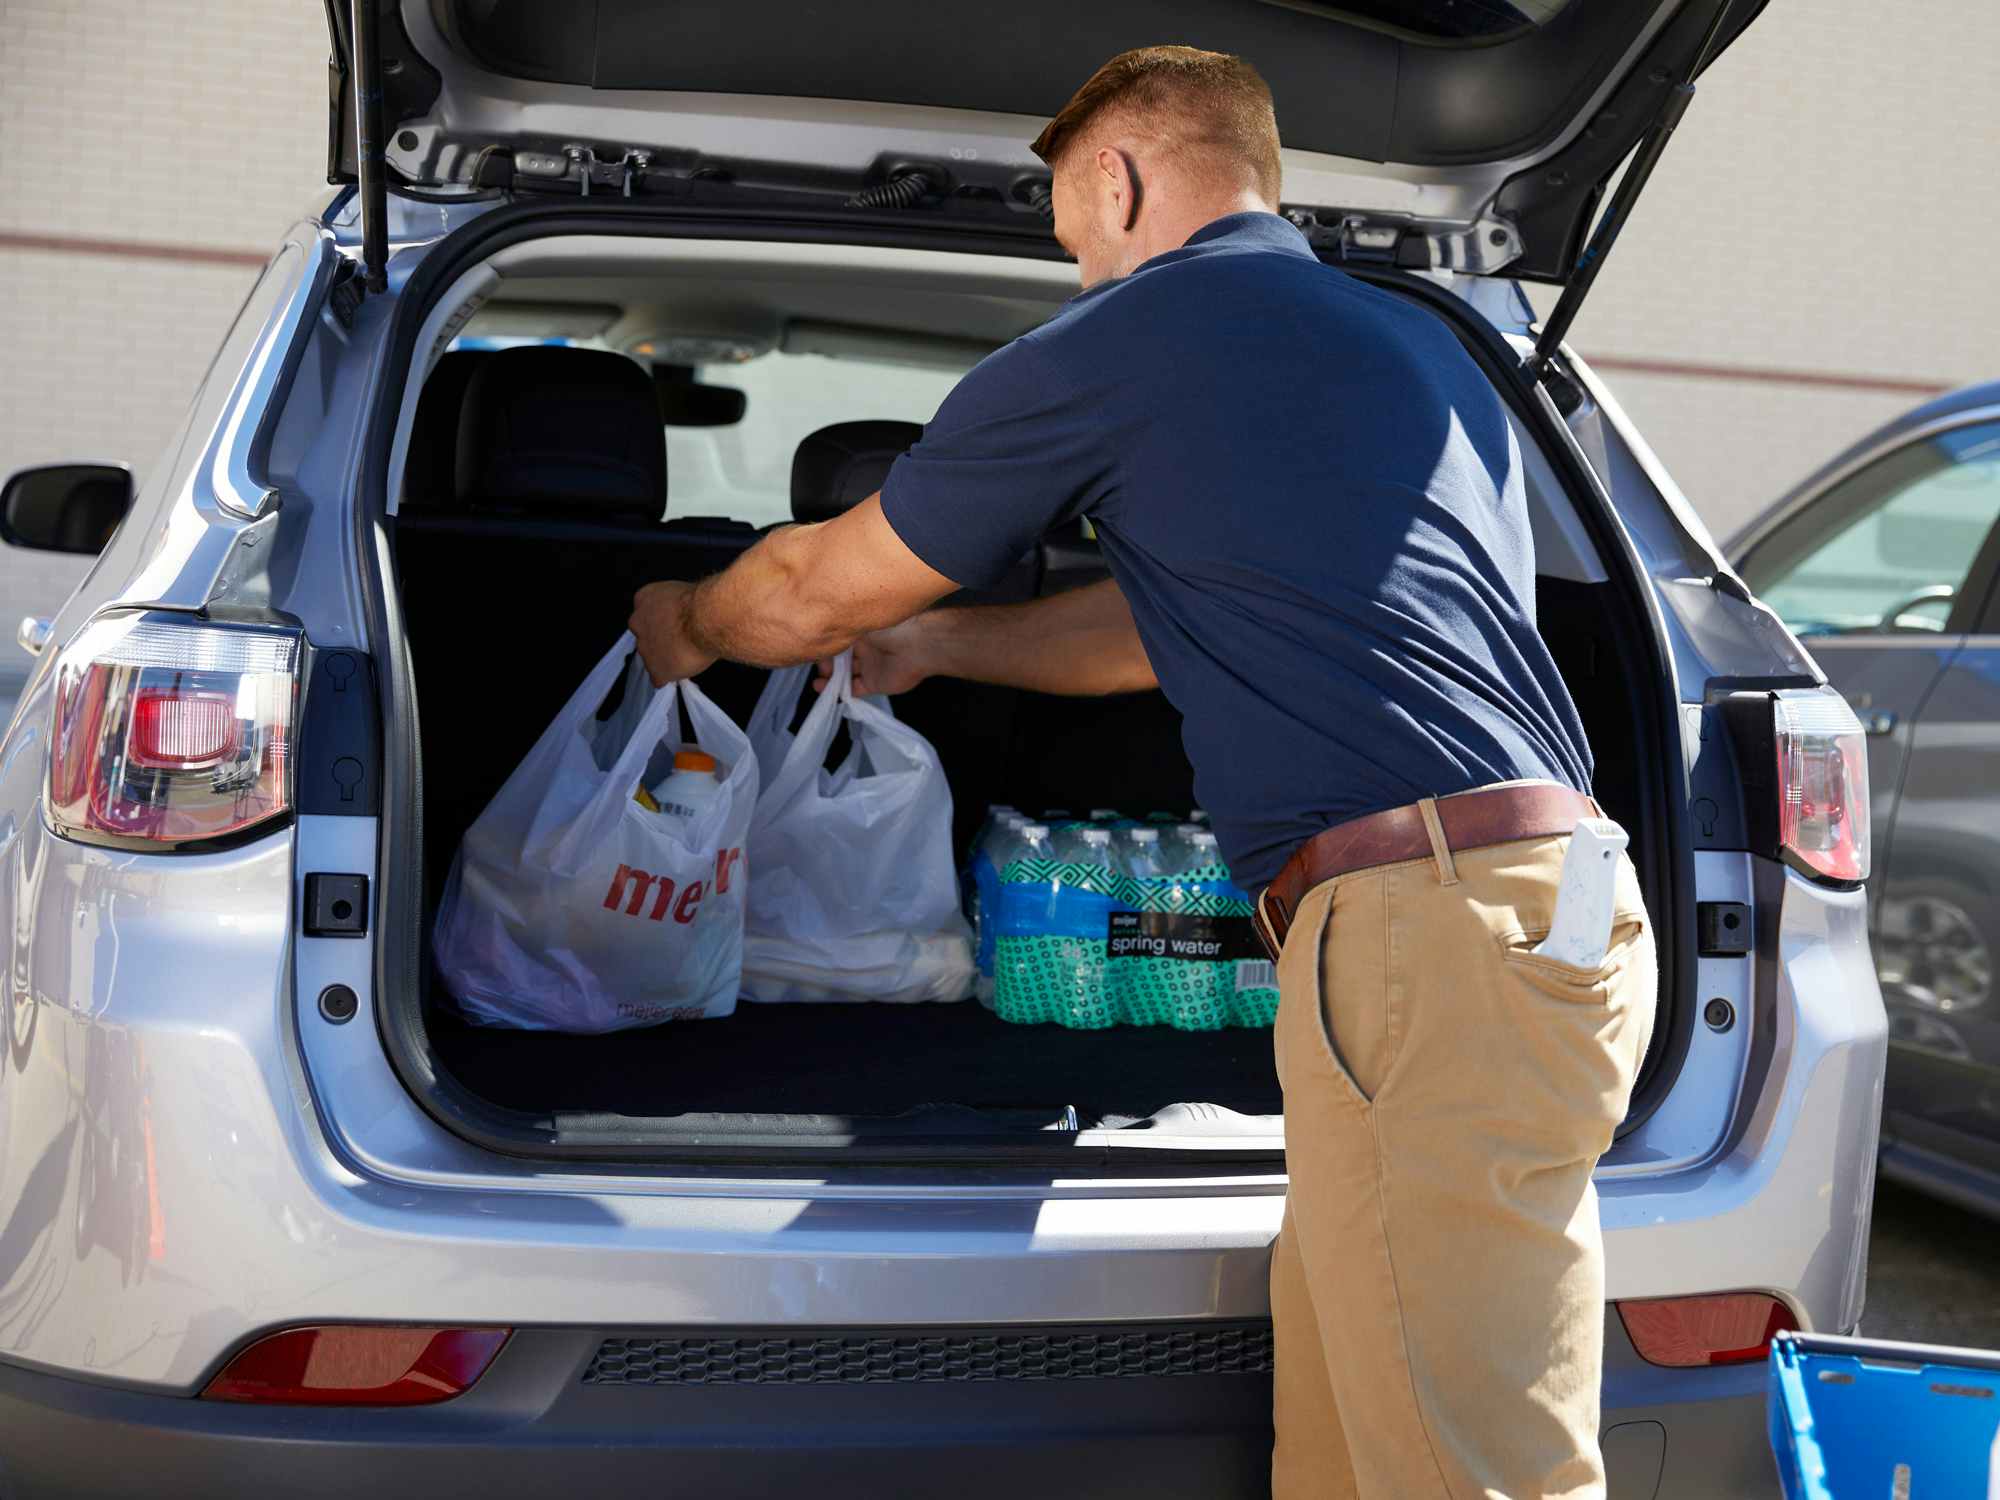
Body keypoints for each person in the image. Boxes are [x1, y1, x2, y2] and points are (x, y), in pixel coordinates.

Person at [630, 44, 1657, 1500]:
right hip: (1539, 906)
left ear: (1117, 175)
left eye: (1073, 240)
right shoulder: (1429, 349)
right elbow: (1150, 632)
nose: (1080, 281)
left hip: (1435, 931)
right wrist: (949, 649)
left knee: (1469, 1467)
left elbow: (808, 598)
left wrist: (688, 622)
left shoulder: (1135, 339)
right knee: (1363, 1427)